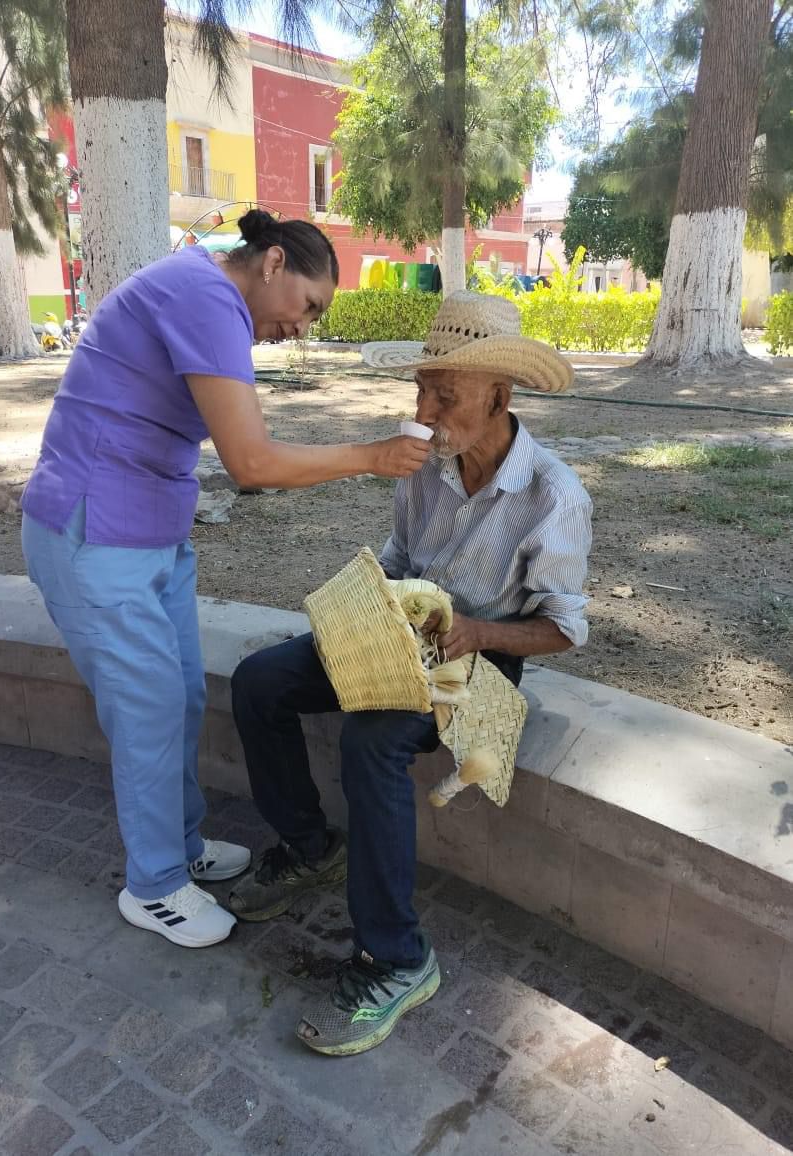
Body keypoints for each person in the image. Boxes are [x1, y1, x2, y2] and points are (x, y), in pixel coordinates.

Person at [20, 210, 431, 950]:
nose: (301, 329)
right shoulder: (204, 296)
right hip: (93, 532)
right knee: (146, 713)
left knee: (175, 695)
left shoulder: (201, 297)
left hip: (145, 534)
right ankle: (153, 886)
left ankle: (177, 847)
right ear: (272, 262)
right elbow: (252, 463)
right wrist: (371, 456)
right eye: (307, 307)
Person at [229, 291, 592, 1054]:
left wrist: (475, 632)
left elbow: (562, 628)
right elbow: (398, 561)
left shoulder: (552, 494)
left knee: (371, 742)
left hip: (481, 663)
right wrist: (369, 599)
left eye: (444, 395)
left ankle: (396, 958)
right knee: (260, 681)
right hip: (398, 636)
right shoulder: (422, 463)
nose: (423, 410)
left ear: (499, 395)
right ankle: (309, 849)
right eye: (420, 390)